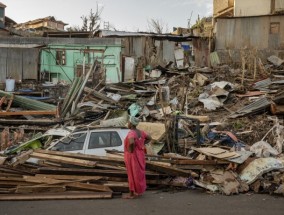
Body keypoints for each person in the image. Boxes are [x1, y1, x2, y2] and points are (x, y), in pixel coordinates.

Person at [123, 116, 151, 199]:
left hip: (132, 156)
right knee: (139, 173)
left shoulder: (131, 132)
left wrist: (131, 150)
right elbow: (149, 138)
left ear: (131, 124)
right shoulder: (141, 132)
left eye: (128, 122)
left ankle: (132, 194)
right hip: (140, 154)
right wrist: (141, 144)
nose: (128, 124)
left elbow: (131, 142)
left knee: (131, 174)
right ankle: (139, 191)